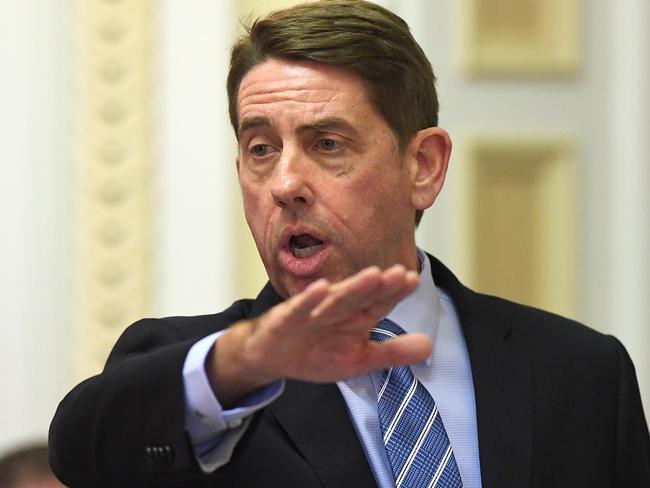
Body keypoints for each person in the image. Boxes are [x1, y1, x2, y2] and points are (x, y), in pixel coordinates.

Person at [49, 1, 650, 487]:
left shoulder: (583, 374)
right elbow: (80, 450)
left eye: (328, 144)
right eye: (261, 149)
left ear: (424, 166)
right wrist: (243, 363)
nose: (284, 184)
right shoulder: (206, 369)